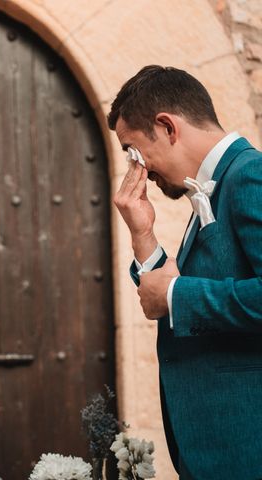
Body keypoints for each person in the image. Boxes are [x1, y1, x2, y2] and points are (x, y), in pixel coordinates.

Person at [109, 65, 262, 479]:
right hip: (213, 452)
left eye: (134, 150)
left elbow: (175, 295)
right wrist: (143, 233)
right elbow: (164, 294)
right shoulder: (211, 189)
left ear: (167, 127)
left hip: (246, 449)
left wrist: (179, 296)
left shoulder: (249, 174)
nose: (139, 168)